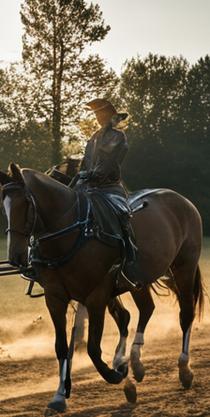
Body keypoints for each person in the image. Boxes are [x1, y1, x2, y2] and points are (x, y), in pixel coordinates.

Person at [74, 98, 143, 288]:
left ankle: (130, 261)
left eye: (101, 114)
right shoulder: (94, 137)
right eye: (96, 114)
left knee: (122, 215)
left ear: (111, 116)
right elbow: (85, 163)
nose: (98, 118)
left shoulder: (118, 137)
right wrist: (77, 179)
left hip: (110, 188)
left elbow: (110, 162)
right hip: (88, 187)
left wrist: (94, 174)